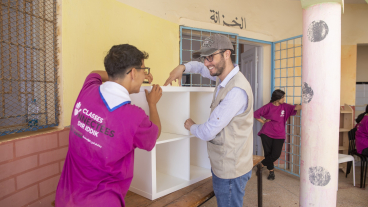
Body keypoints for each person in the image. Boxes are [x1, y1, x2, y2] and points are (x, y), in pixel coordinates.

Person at [56, 44, 162, 207]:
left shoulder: (88, 89)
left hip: (66, 197)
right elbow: (153, 136)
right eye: (144, 70)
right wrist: (152, 104)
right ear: (133, 72)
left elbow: (94, 73)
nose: (145, 75)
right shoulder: (135, 117)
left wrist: (118, 74)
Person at [164, 34, 254, 207]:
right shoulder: (223, 77)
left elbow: (208, 131)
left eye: (210, 57)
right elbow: (199, 67)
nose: (206, 63)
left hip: (231, 170)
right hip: (227, 164)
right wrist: (182, 67)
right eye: (206, 58)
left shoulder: (235, 90)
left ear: (227, 54)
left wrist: (191, 126)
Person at [254, 89, 302, 180]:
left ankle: (261, 165)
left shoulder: (285, 106)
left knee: (275, 154)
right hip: (267, 133)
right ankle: (271, 172)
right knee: (268, 153)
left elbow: (295, 107)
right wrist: (263, 122)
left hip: (279, 134)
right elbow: (255, 114)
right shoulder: (268, 107)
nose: (284, 99)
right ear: (277, 98)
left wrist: (306, 105)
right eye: (282, 97)